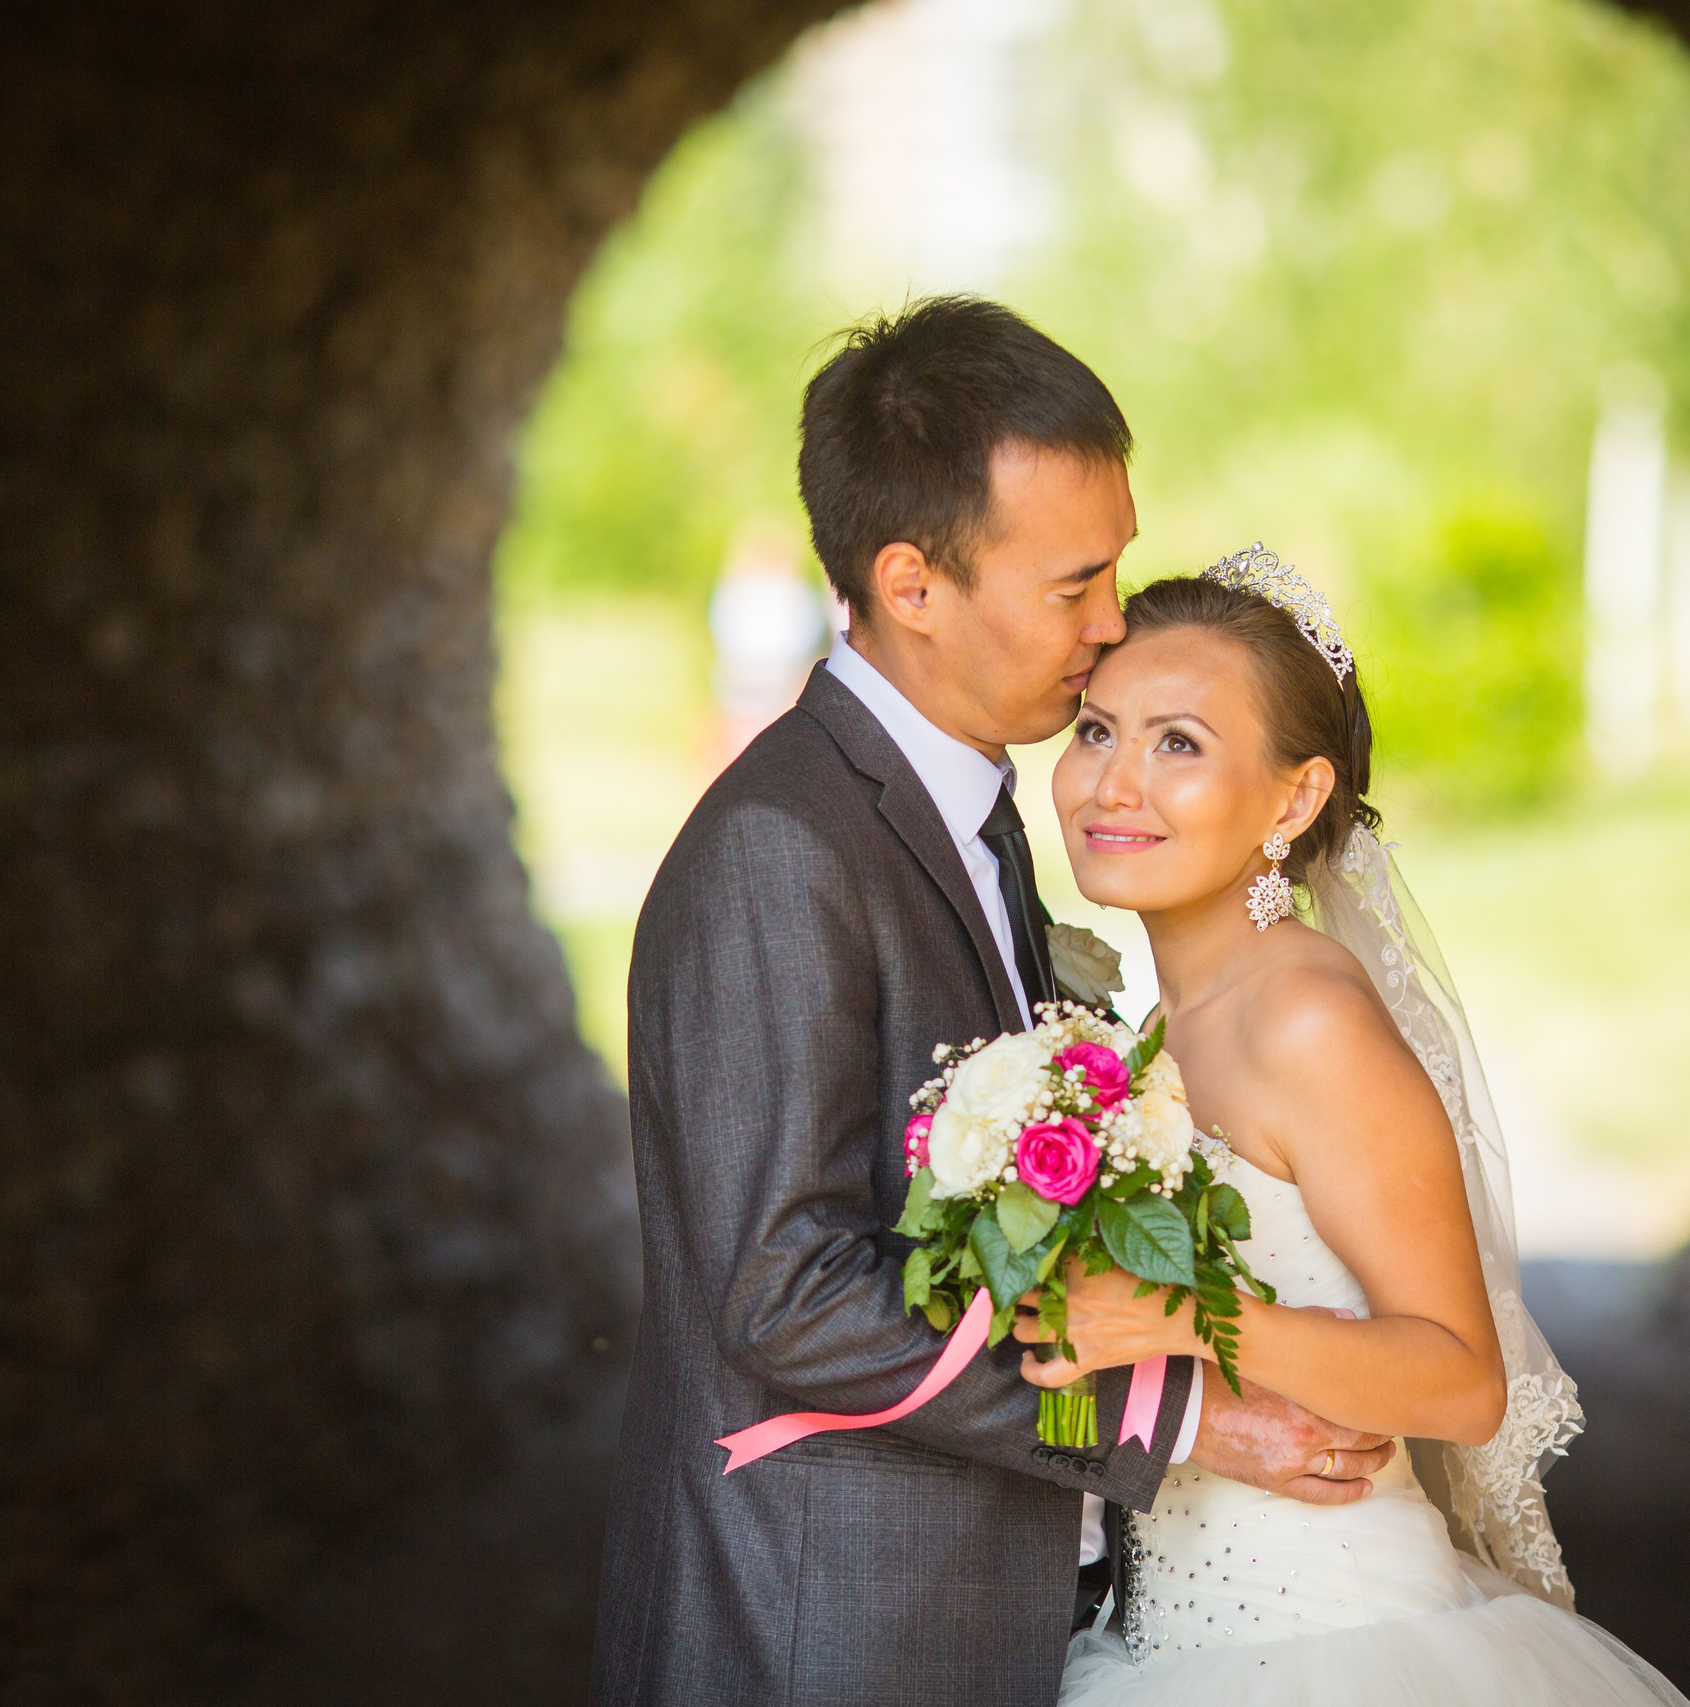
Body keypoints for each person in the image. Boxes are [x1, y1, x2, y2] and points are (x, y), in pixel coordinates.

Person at [591, 301, 1387, 1707]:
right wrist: (1173, 1408)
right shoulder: (785, 850)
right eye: (1075, 582)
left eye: (1120, 567)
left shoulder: (976, 806)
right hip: (825, 1634)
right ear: (912, 583)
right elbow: (788, 1297)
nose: (1115, 619)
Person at [1033, 554, 1690, 1705]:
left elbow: (1458, 1380)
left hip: (1332, 1646)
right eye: (1096, 730)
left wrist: (1185, 1314)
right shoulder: (1151, 1031)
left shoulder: (1305, 1019)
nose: (1111, 785)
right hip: (1170, 1643)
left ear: (1291, 800)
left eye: (1178, 744)